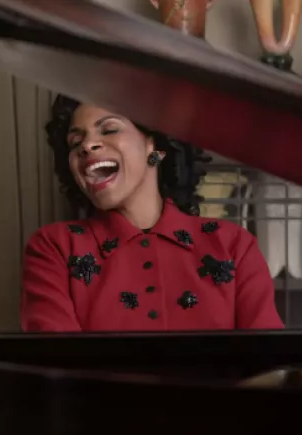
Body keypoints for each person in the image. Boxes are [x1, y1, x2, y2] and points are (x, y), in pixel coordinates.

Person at [20, 95, 284, 332]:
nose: (87, 145)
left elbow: (267, 359)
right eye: (75, 142)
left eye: (109, 129)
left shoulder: (234, 246)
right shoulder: (54, 247)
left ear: (155, 149)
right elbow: (56, 360)